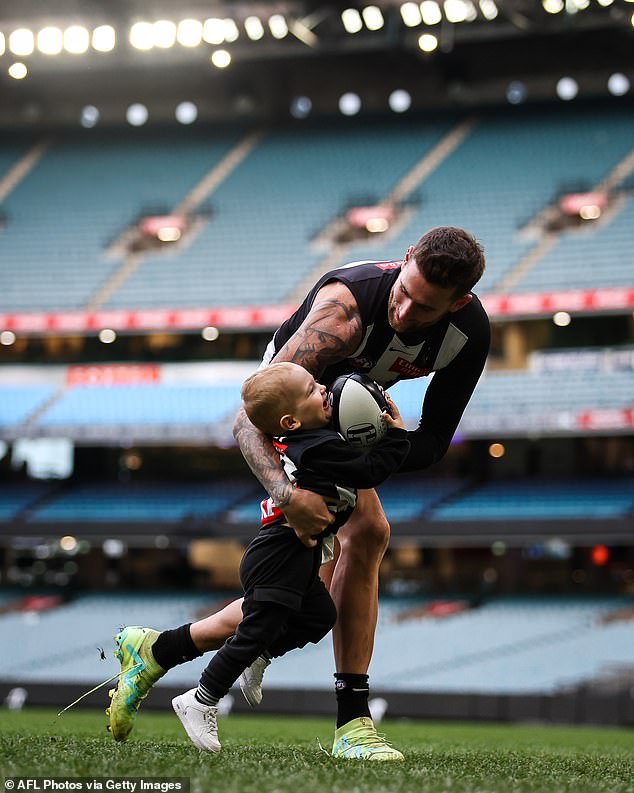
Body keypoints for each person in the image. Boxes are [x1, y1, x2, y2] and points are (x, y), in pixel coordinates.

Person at [108, 226, 489, 759]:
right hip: (294, 410)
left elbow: (431, 442)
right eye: (402, 293)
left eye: (424, 309)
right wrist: (289, 495)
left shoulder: (468, 334)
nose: (404, 313)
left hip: (346, 422)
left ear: (460, 301)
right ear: (403, 260)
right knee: (368, 531)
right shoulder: (342, 313)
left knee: (305, 588)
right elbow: (248, 423)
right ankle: (352, 724)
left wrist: (381, 443)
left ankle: (156, 648)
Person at [111, 362, 410, 755]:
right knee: (256, 628)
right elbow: (369, 468)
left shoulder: (312, 437)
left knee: (320, 616)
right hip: (278, 554)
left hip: (293, 554)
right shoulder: (316, 447)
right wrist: (398, 436)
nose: (323, 389)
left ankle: (260, 654)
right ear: (289, 421)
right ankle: (201, 698)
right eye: (310, 390)